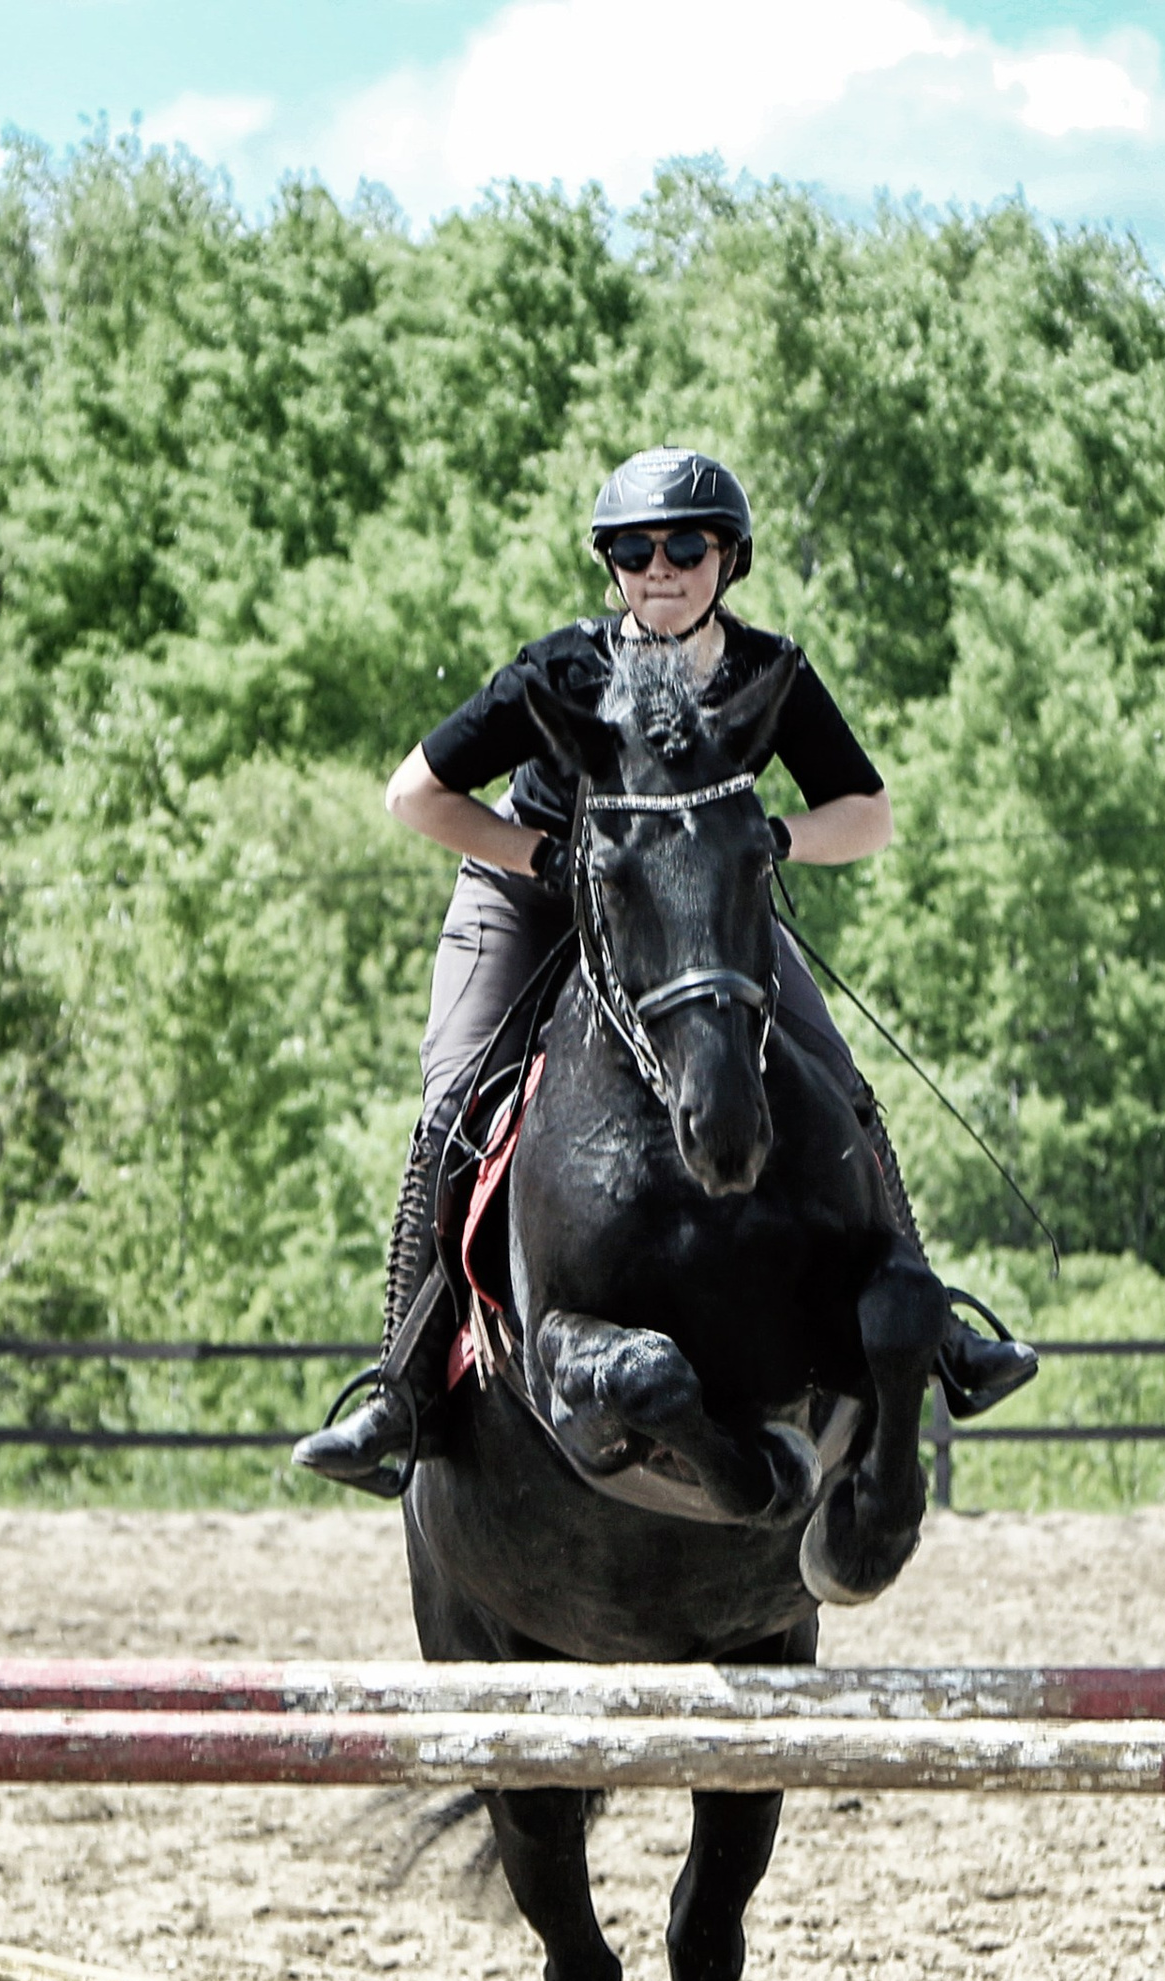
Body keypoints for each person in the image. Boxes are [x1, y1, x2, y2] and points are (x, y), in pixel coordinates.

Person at [294, 446, 1036, 1495]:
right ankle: (403, 1393)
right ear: (613, 566)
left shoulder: (764, 672)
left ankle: (941, 1335)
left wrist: (768, 840)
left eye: (685, 545)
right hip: (530, 889)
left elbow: (868, 815)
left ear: (725, 557)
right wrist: (545, 859)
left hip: (694, 910)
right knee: (455, 1104)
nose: (661, 567)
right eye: (636, 550)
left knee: (840, 1083)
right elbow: (413, 794)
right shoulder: (560, 670)